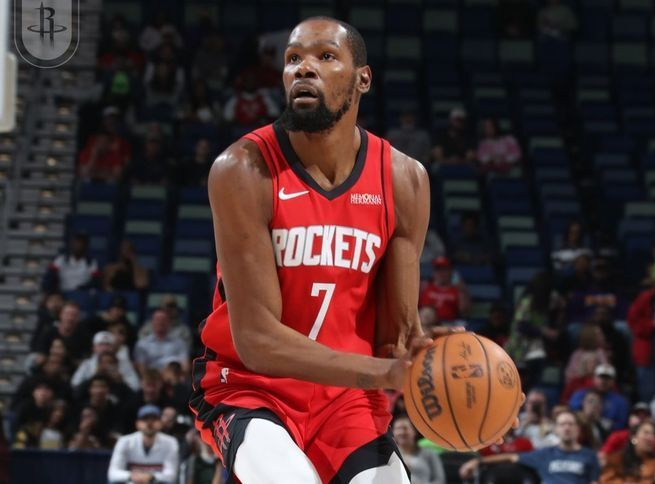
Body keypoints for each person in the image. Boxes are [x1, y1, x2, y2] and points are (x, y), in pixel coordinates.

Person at [189, 16, 516, 484]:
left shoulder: (403, 180)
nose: (304, 68)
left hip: (347, 400)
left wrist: (455, 372)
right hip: (249, 390)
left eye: (325, 56)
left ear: (363, 79)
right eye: (293, 59)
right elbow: (258, 342)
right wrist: (387, 373)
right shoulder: (243, 169)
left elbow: (395, 337)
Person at [460, 410, 600, 483]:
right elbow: (511, 457)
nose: (567, 428)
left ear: (578, 429)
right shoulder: (545, 454)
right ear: (556, 429)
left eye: (570, 424)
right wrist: (477, 461)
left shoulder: (589, 455)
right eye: (562, 424)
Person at [108, 405, 179, 484]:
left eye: (154, 419)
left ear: (160, 423)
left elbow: (171, 476)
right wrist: (132, 476)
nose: (149, 423)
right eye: (145, 419)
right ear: (137, 423)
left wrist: (151, 477)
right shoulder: (124, 441)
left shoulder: (170, 442)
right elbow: (112, 474)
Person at [627, 267, 655, 403]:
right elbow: (633, 322)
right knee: (648, 394)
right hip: (648, 354)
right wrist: (653, 324)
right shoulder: (646, 298)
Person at [569, 364, 629, 432]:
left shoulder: (620, 401)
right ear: (594, 378)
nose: (604, 381)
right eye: (601, 377)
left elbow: (621, 425)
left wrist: (601, 421)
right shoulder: (580, 394)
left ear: (613, 381)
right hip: (580, 429)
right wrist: (584, 414)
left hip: (608, 434)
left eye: (607, 378)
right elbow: (571, 412)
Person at [419, 256, 471, 328]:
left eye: (444, 270)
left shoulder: (457, 290)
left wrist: (461, 289)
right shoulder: (425, 287)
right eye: (438, 270)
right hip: (426, 323)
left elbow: (464, 311)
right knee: (427, 312)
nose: (441, 273)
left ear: (451, 272)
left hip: (448, 324)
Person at [392, 415, 446, 484]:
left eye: (405, 428)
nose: (402, 432)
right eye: (398, 429)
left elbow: (440, 480)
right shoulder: (390, 455)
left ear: (414, 431)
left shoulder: (429, 453)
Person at [133, 309, 189, 375]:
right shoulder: (142, 344)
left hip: (173, 377)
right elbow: (141, 367)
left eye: (164, 320)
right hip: (151, 377)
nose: (161, 322)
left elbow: (185, 366)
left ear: (169, 323)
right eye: (158, 320)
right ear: (152, 322)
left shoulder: (179, 343)